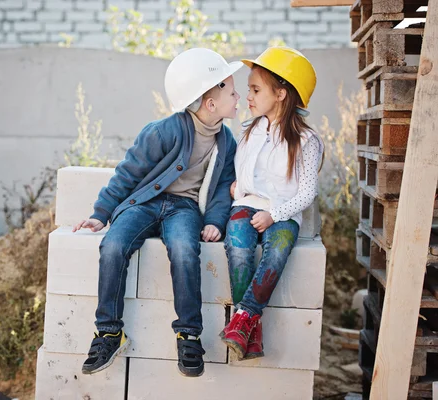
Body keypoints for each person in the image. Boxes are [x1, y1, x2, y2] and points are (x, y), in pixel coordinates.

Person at [73, 48, 241, 377]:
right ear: (210, 103)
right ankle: (108, 331)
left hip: (184, 209)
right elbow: (127, 174)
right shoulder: (162, 131)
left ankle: (189, 334)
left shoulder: (227, 141)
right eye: (232, 92)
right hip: (144, 202)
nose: (238, 98)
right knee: (113, 246)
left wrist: (214, 221)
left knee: (183, 250)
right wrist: (102, 212)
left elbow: (223, 187)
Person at [220, 47, 324, 360]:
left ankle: (244, 318)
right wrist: (237, 188)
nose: (247, 96)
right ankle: (250, 329)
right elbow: (243, 172)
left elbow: (306, 194)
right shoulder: (248, 131)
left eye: (255, 89)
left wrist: (274, 215)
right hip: (247, 204)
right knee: (237, 245)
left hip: (283, 213)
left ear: (280, 93)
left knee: (277, 250)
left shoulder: (306, 141)